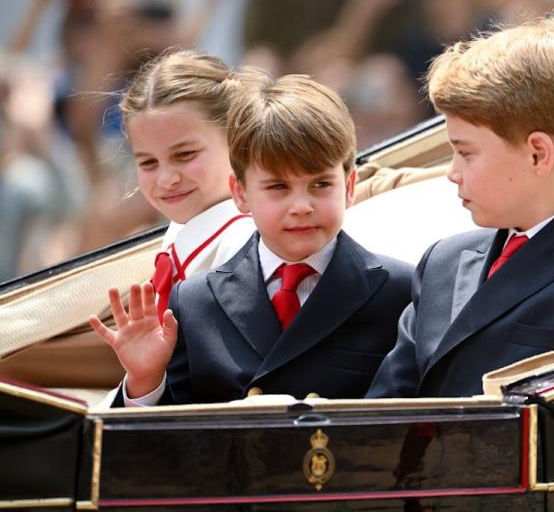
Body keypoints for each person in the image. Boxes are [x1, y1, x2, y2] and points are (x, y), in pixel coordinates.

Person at [366, 16, 554, 398]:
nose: (452, 173)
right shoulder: (442, 262)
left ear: (537, 154)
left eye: (466, 153)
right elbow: (385, 408)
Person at [93, 70, 414, 406]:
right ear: (241, 193)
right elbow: (169, 437)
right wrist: (145, 381)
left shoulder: (399, 290)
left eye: (320, 185)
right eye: (278, 187)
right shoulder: (196, 301)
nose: (301, 206)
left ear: (348, 187)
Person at [87, 49, 257, 403]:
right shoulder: (181, 234)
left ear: (238, 140)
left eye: (185, 155)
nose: (166, 179)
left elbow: (216, 391)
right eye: (148, 162)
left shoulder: (243, 247)